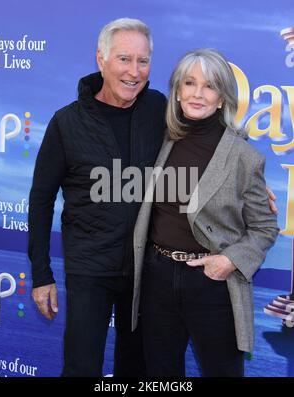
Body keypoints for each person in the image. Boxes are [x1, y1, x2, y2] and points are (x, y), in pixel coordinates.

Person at [28, 18, 167, 377]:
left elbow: (206, 139)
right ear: (100, 60)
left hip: (145, 269)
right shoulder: (66, 123)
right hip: (89, 269)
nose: (134, 72)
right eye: (124, 59)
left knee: (136, 370)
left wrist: (250, 179)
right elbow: (41, 201)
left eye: (143, 61)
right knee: (81, 368)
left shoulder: (158, 108)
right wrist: (42, 275)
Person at [131, 48, 279, 377]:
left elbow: (264, 228)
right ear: (178, 92)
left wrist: (229, 261)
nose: (198, 93)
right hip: (157, 276)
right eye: (189, 83)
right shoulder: (161, 139)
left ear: (222, 98)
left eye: (209, 86)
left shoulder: (243, 157)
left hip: (212, 283)